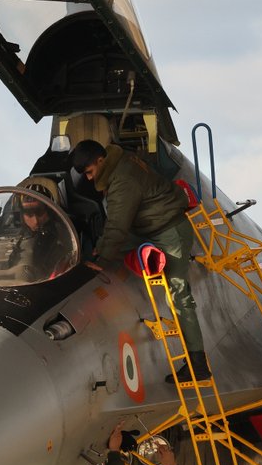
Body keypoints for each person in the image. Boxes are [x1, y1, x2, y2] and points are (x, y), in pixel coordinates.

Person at [69, 139, 209, 382]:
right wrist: (101, 250)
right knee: (113, 244)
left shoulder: (123, 181)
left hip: (170, 232)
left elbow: (118, 224)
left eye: (90, 172)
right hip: (152, 225)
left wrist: (101, 258)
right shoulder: (123, 159)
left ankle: (197, 364)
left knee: (178, 295)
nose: (90, 179)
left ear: (100, 161)